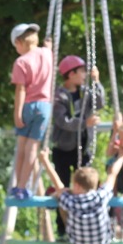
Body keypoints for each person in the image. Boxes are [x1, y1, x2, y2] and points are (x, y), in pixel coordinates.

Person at [37, 144, 123, 244]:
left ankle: (63, 233)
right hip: (102, 242)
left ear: (77, 186)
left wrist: (45, 161)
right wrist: (122, 155)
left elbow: (58, 185)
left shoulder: (71, 201)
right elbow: (112, 174)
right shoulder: (101, 197)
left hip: (77, 242)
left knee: (60, 196)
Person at [9, 23, 53, 199]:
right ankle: (23, 186)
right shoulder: (47, 54)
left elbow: (21, 90)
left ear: (19, 42)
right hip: (45, 106)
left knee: (21, 147)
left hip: (28, 105)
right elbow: (48, 48)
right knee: (32, 148)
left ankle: (18, 185)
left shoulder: (21, 62)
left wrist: (17, 113)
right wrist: (48, 45)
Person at [50, 56, 104, 187]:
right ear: (71, 74)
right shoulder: (58, 96)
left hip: (83, 147)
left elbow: (100, 103)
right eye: (82, 71)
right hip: (64, 148)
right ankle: (62, 207)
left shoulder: (85, 92)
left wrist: (96, 82)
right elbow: (64, 121)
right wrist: (85, 123)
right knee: (62, 184)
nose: (85, 75)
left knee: (84, 183)